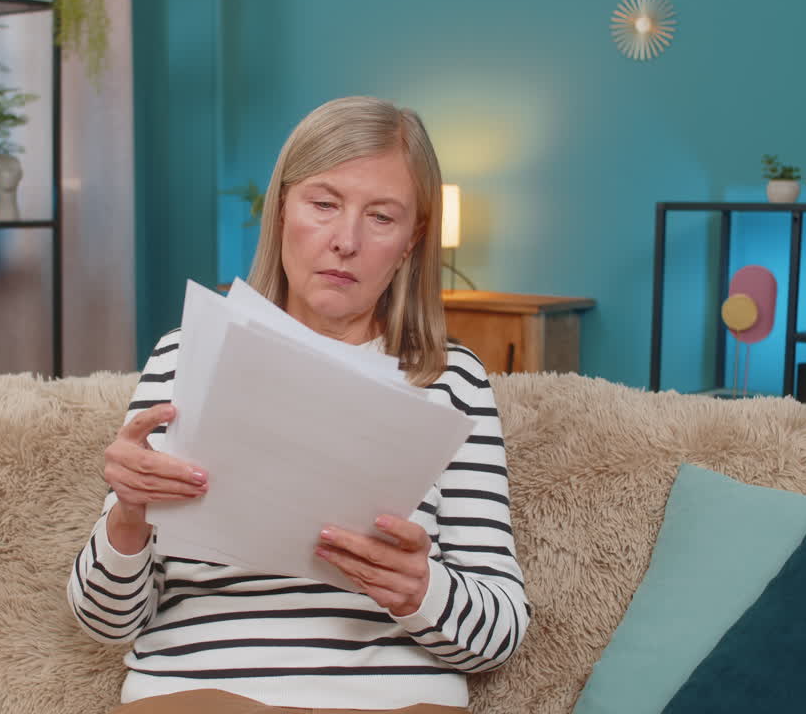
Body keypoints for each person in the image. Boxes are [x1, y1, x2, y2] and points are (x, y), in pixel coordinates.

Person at [68, 96, 529, 713]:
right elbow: (104, 622)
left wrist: (422, 591)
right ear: (282, 207)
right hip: (202, 691)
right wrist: (127, 514)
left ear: (413, 240)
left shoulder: (452, 380)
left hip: (392, 700)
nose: (346, 240)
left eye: (382, 218)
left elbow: (501, 634)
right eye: (324, 204)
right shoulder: (186, 357)